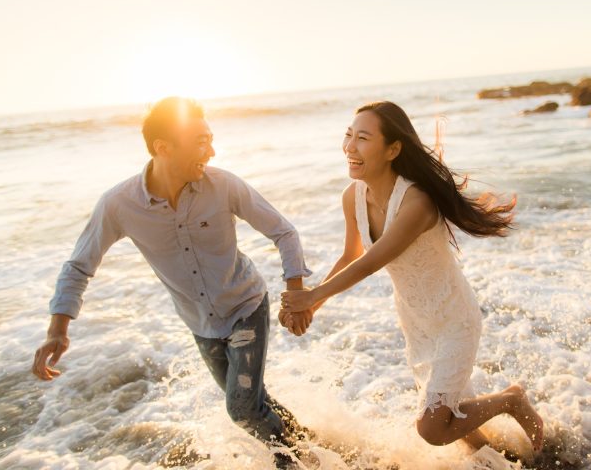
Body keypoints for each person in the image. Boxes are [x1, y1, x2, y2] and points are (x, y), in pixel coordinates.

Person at [31, 96, 315, 456]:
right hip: (201, 325)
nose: (211, 151)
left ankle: (298, 463)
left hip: (246, 306)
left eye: (210, 139)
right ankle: (315, 448)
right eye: (201, 142)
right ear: (162, 148)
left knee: (241, 408)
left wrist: (296, 294)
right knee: (252, 403)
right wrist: (57, 330)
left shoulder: (224, 186)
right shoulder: (118, 204)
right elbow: (78, 266)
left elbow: (284, 232)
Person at [279, 101, 544, 453]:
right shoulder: (352, 196)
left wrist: (310, 297)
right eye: (348, 136)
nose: (350, 147)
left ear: (393, 149)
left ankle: (511, 399)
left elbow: (372, 262)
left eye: (362, 138)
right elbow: (350, 256)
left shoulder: (416, 202)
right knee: (458, 426)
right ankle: (498, 460)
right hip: (416, 321)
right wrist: (314, 302)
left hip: (454, 318)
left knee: (434, 427)